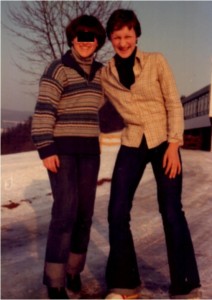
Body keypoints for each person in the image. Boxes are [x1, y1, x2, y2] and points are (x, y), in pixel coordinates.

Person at [101, 9, 201, 300]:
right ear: (110, 39)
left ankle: (184, 286)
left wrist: (174, 145)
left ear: (137, 35)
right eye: (117, 37)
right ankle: (125, 284)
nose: (123, 42)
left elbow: (173, 102)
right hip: (132, 141)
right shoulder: (105, 74)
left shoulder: (156, 61)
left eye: (128, 36)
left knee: (171, 210)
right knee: (117, 211)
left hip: (162, 140)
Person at [31, 15, 106, 299]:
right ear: (72, 39)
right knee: (65, 213)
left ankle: (74, 272)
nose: (85, 41)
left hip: (89, 152)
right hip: (61, 152)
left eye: (91, 36)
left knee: (85, 215)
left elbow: (114, 95)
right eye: (80, 36)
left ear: (98, 41)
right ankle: (55, 281)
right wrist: (46, 148)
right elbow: (44, 110)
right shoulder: (58, 69)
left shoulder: (102, 73)